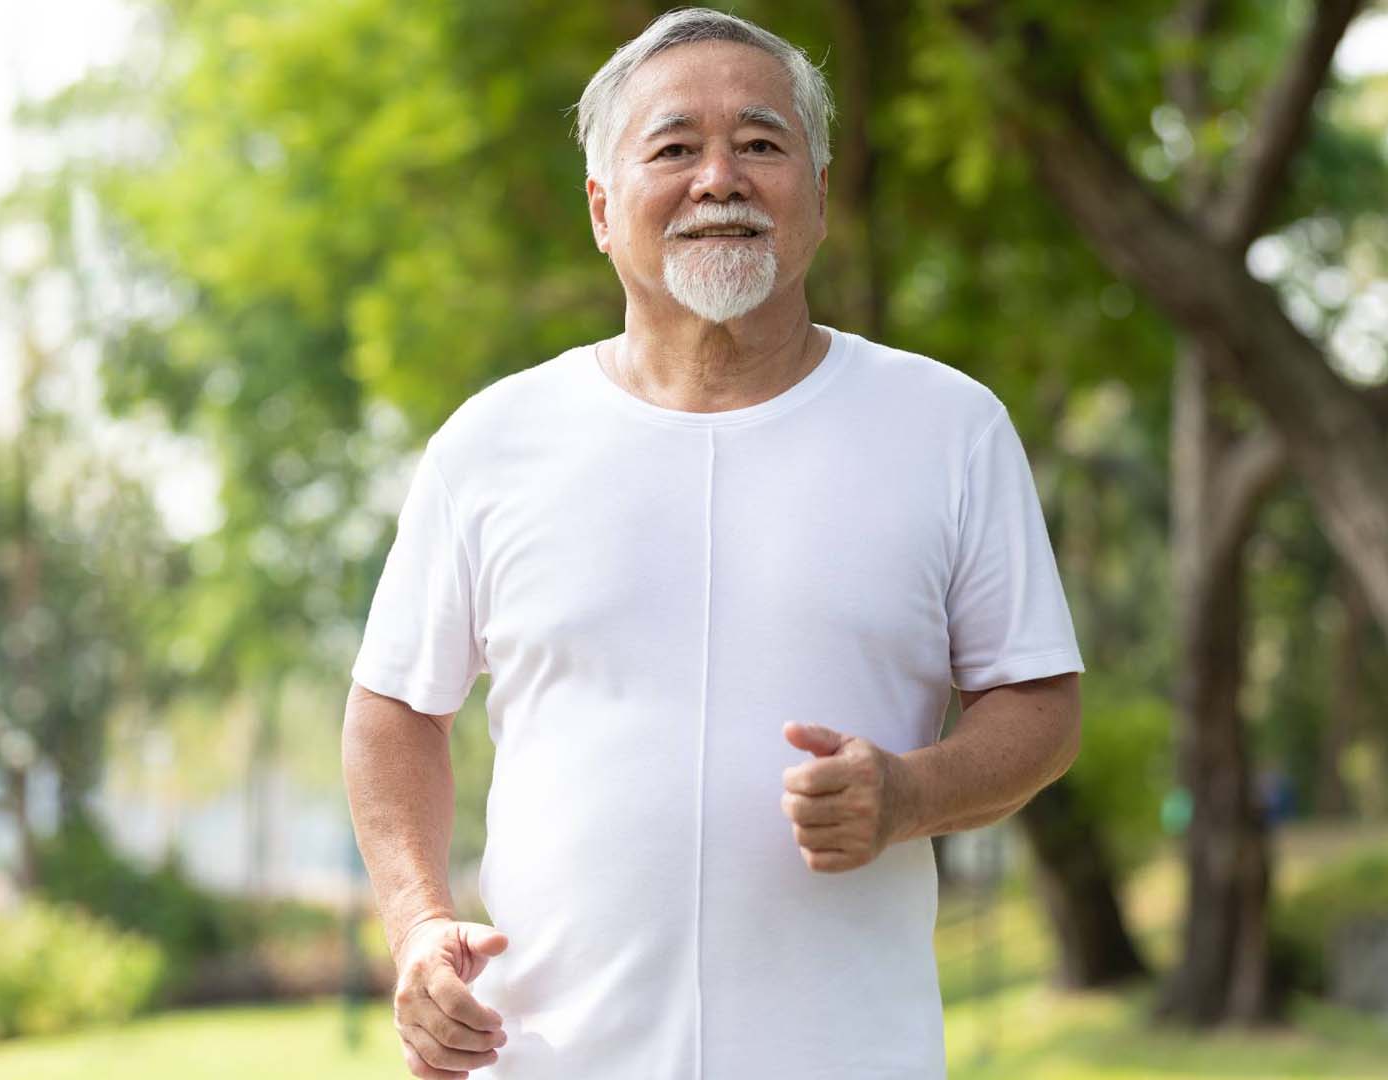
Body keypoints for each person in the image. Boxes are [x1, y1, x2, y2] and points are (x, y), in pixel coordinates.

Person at [342, 8, 1084, 1078]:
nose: (721, 177)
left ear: (821, 198)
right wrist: (417, 924)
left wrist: (910, 796)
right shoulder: (492, 443)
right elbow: (393, 709)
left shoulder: (949, 427)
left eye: (763, 143)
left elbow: (1041, 706)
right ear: (602, 209)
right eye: (675, 146)